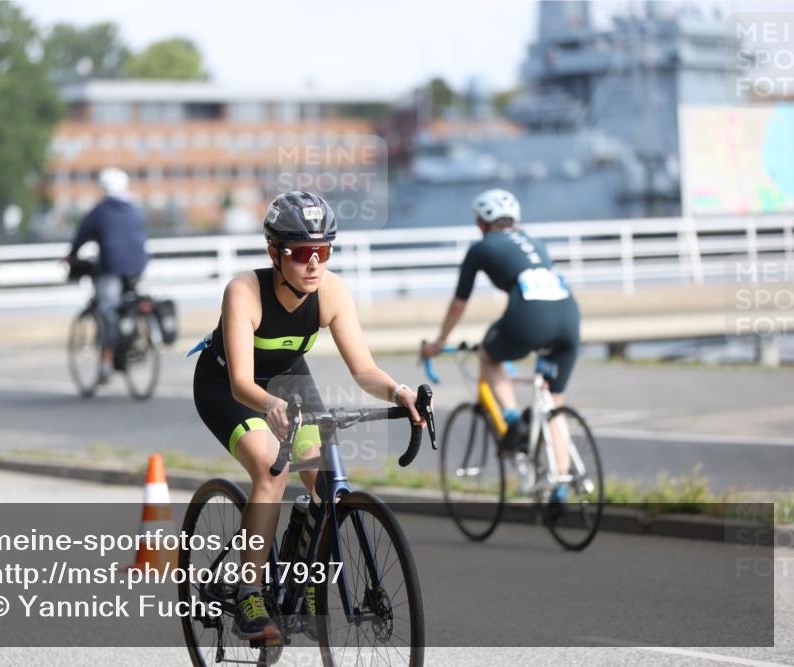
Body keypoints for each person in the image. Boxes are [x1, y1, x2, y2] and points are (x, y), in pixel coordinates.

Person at [191, 191, 424, 641]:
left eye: (323, 251)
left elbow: (363, 370)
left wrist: (399, 392)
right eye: (301, 253)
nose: (314, 264)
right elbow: (243, 384)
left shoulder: (332, 292)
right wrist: (271, 405)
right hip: (229, 386)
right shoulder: (245, 291)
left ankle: (306, 583)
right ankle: (249, 593)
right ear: (274, 253)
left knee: (328, 485)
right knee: (270, 471)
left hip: (289, 380)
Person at [421, 189, 580, 502]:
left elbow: (459, 303)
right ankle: (560, 486)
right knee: (554, 403)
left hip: (529, 318)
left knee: (489, 356)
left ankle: (512, 423)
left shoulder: (481, 248)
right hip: (570, 318)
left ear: (481, 223)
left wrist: (440, 341)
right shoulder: (536, 243)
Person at [67, 168, 149, 380]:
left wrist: (72, 255)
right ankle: (133, 338)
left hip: (111, 268)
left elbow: (82, 235)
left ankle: (106, 362)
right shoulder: (134, 209)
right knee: (128, 305)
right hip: (138, 267)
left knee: (107, 312)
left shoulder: (100, 211)